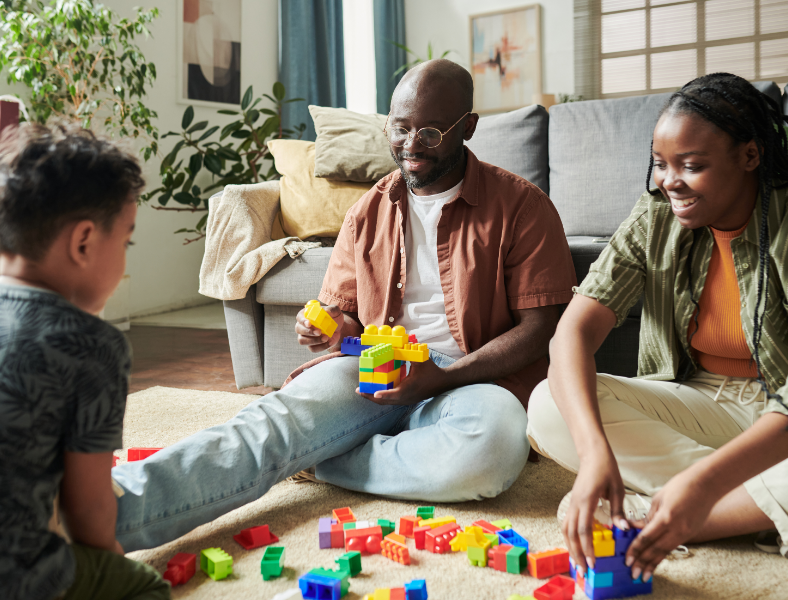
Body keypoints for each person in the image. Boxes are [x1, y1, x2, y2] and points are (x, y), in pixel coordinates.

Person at [111, 59, 577, 552]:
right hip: (374, 372)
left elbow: (540, 330)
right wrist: (333, 327)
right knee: (267, 426)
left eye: (432, 132)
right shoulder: (368, 211)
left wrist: (443, 377)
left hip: (471, 379)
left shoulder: (522, 206)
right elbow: (346, 316)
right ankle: (106, 516)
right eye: (400, 128)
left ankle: (318, 458)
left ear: (469, 128)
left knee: (494, 449)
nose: (412, 144)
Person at [526, 72, 788, 585]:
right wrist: (593, 455)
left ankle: (666, 517)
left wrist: (699, 484)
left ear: (750, 156)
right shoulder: (655, 219)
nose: (669, 181)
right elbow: (571, 335)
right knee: (548, 403)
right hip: (699, 403)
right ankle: (747, 503)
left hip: (785, 413)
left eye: (691, 166)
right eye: (661, 164)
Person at [0, 124, 170, 600]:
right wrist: (107, 560)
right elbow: (88, 505)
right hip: (18, 579)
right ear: (84, 242)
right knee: (142, 588)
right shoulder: (92, 345)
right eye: (127, 241)